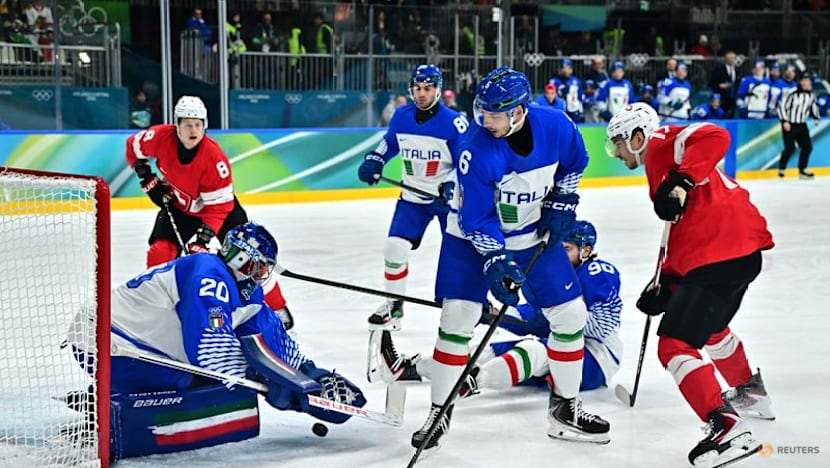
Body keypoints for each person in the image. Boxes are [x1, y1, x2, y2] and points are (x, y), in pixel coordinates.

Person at [409, 66, 609, 451]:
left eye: (495, 115)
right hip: (469, 240)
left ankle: (565, 409)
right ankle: (439, 409)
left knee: (570, 315)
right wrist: (496, 260)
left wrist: (563, 200)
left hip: (533, 235)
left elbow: (575, 162)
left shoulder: (556, 125)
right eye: (482, 113)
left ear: (519, 111)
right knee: (458, 318)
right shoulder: (476, 149)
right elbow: (477, 219)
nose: (486, 121)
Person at [67, 222, 365, 459]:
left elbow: (272, 340)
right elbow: (208, 351)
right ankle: (110, 411)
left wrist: (309, 377)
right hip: (102, 340)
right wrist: (265, 378)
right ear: (239, 257)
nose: (260, 275)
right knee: (207, 384)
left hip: (131, 342)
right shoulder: (207, 274)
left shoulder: (247, 292)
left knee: (217, 385)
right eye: (256, 266)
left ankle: (109, 397)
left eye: (264, 269)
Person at [605, 103, 775, 468]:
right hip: (738, 251)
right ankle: (750, 392)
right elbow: (684, 229)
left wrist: (682, 180)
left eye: (617, 144)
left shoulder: (662, 143)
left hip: (723, 252)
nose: (616, 153)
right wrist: (668, 281)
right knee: (711, 327)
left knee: (673, 344)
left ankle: (725, 427)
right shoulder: (659, 166)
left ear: (637, 137)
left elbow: (717, 135)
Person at [370, 220, 623, 396]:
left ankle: (473, 382)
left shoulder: (597, 272)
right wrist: (489, 315)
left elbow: (602, 327)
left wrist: (552, 316)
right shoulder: (555, 274)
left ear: (586, 251)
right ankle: (408, 369)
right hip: (558, 348)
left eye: (566, 249)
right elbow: (527, 316)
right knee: (486, 351)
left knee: (532, 349)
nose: (559, 255)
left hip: (594, 360)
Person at [125, 95, 294, 330]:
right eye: (187, 124)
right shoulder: (159, 138)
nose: (193, 130)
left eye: (198, 124)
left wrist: (203, 239)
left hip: (222, 211)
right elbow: (132, 148)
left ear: (205, 125)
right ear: (176, 125)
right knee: (160, 252)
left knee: (247, 261)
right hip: (181, 206)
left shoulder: (214, 160)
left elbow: (219, 209)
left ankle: (277, 307)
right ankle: (156, 307)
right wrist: (147, 177)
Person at [357, 64, 467, 331]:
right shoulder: (401, 115)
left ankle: (462, 303)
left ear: (438, 90)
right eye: (417, 88)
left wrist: (452, 186)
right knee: (394, 248)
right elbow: (391, 142)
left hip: (446, 201)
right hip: (412, 197)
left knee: (458, 253)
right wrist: (376, 159)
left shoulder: (454, 122)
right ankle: (394, 306)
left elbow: (467, 161)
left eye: (427, 88)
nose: (421, 94)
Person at [777, 73, 821, 179]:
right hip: (790, 123)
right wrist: (784, 121)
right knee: (790, 148)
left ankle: (802, 170)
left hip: (802, 124)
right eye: (806, 80)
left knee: (807, 147)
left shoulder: (811, 94)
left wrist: (816, 118)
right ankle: (782, 167)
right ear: (801, 82)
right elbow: (781, 106)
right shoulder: (791, 92)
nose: (808, 82)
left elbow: (813, 106)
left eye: (809, 80)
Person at [709, 51, 739, 118]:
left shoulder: (736, 70)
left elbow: (737, 83)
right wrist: (720, 85)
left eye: (733, 58)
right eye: (730, 58)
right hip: (721, 98)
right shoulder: (719, 69)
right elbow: (711, 83)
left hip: (732, 99)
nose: (732, 60)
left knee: (731, 116)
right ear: (726, 59)